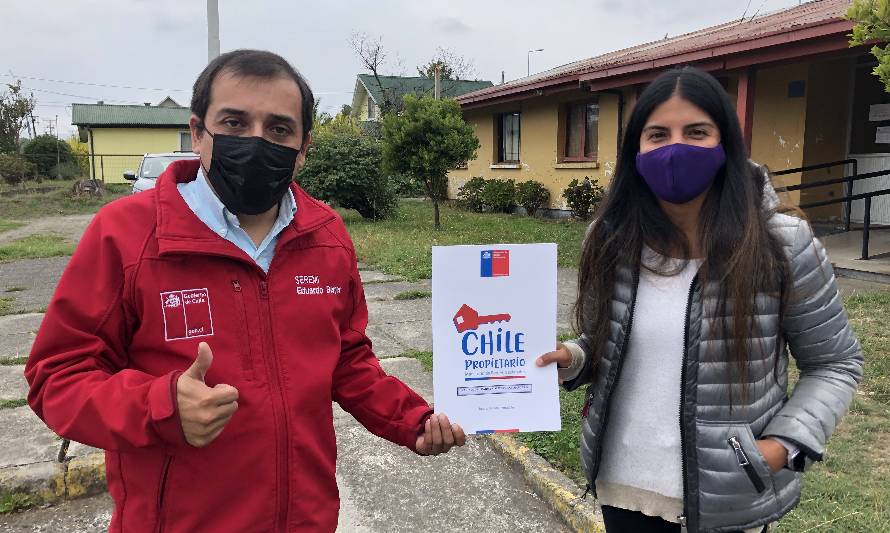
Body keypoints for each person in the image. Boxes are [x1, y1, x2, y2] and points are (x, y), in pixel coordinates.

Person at [25, 49, 465, 533]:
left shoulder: (327, 235)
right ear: (198, 132)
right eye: (234, 123)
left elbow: (347, 359)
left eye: (279, 129)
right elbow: (57, 376)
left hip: (307, 520)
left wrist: (412, 420)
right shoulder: (127, 235)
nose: (256, 142)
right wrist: (161, 406)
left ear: (303, 148)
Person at [536, 67, 863, 533]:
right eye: (657, 134)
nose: (674, 149)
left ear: (724, 142)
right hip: (623, 488)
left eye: (696, 132)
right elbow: (602, 338)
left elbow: (836, 362)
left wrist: (781, 447)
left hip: (728, 501)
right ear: (636, 150)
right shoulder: (610, 239)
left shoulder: (781, 244)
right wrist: (574, 356)